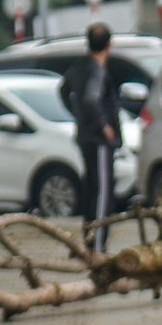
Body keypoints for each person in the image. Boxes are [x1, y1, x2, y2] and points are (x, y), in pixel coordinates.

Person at [59, 23, 122, 250]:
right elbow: (91, 99)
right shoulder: (97, 69)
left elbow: (64, 91)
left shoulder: (78, 67)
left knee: (91, 188)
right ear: (109, 45)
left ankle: (88, 239)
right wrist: (103, 125)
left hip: (85, 136)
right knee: (103, 191)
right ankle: (97, 244)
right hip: (99, 140)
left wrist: (77, 115)